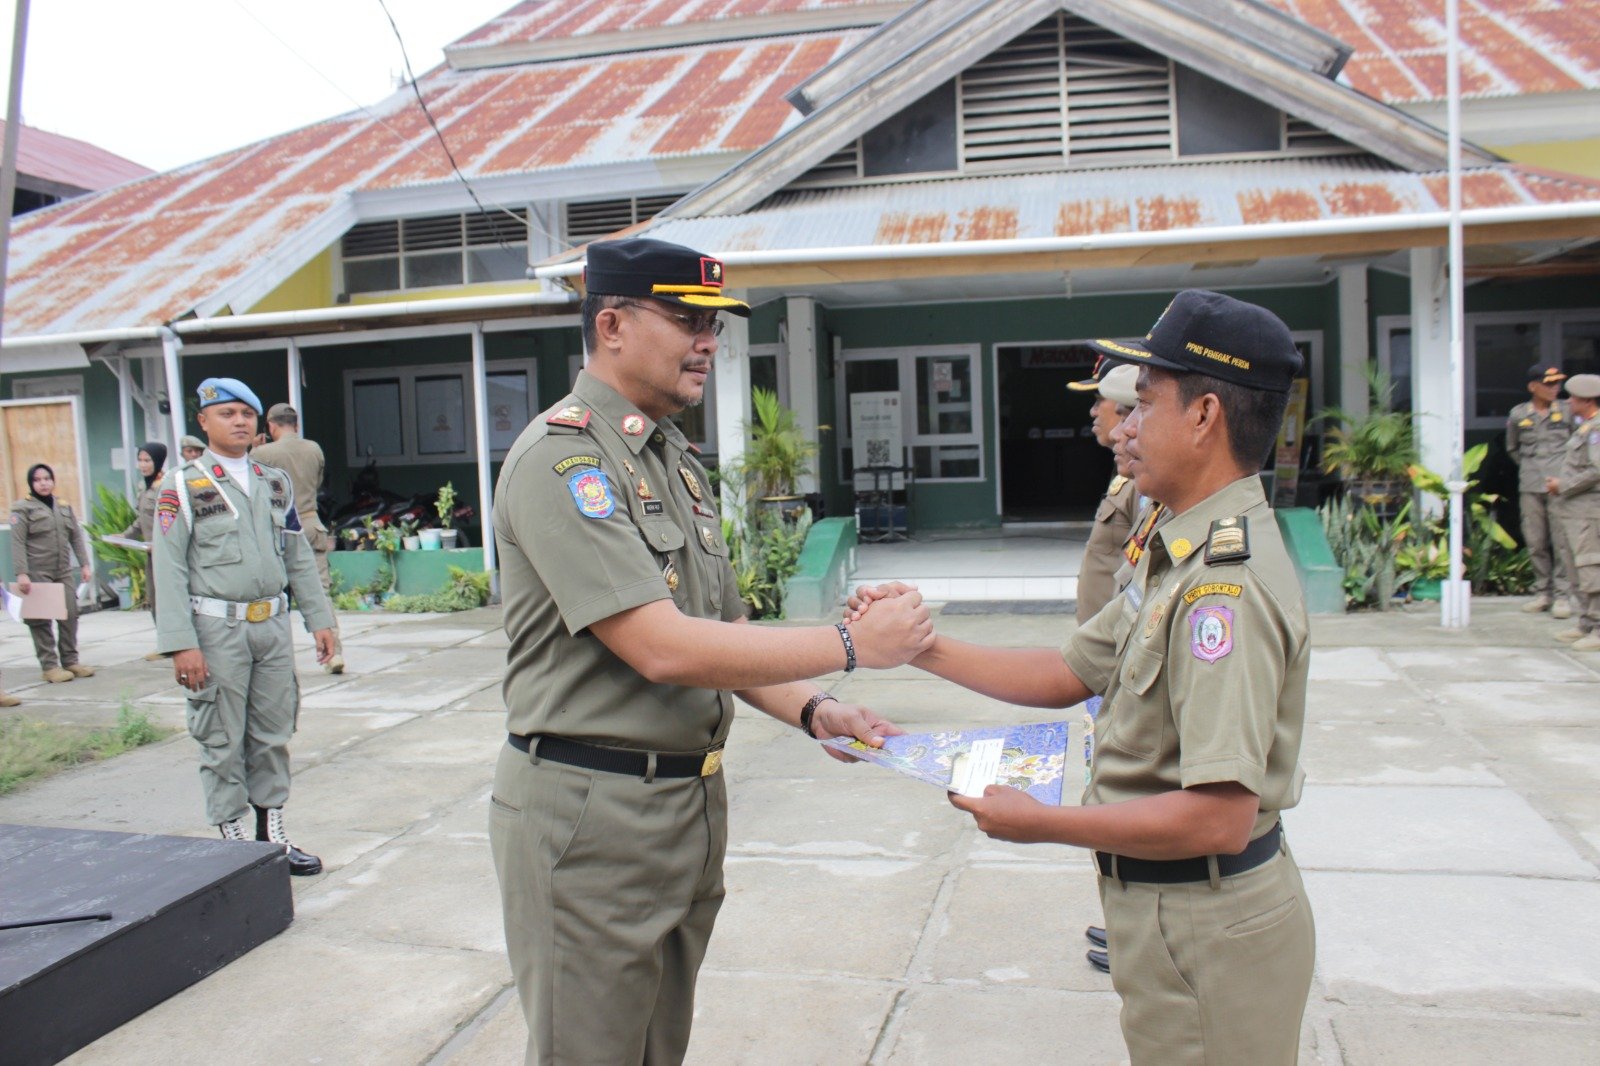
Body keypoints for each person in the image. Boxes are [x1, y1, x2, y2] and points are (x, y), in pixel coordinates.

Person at [490, 237, 933, 1065]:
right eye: (687, 319)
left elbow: (725, 635)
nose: (708, 340)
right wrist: (849, 643)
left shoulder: (674, 464)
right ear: (612, 325)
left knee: (659, 1050)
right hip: (592, 816)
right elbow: (658, 648)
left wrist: (816, 707)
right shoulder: (565, 459)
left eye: (715, 324)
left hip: (683, 811)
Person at [854, 290, 1315, 1065]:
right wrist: (916, 645)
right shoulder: (1176, 545)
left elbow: (1218, 818)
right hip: (1170, 912)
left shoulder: (1222, 592)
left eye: (1145, 404)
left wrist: (1044, 823)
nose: (1126, 428)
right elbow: (1072, 668)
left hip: (1208, 922)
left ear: (1203, 417)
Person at [152, 378, 337, 875]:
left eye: (246, 414)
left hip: (271, 627)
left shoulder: (274, 482)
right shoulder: (183, 484)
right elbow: (167, 567)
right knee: (221, 739)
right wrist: (180, 645)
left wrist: (320, 620)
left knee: (273, 733)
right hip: (215, 631)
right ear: (204, 421)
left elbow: (297, 555)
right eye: (227, 413)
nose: (238, 421)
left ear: (259, 423)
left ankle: (271, 839)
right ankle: (233, 849)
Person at [251, 403, 342, 674]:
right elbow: (317, 483)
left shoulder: (262, 453)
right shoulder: (314, 449)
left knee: (269, 594)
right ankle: (334, 652)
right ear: (296, 424)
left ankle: (270, 659)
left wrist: (253, 449)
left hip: (277, 526)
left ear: (271, 425)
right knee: (320, 591)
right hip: (310, 522)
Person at [1070, 361, 1142, 624]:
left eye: (1100, 400)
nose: (1093, 411)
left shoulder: (1143, 482)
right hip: (1100, 641)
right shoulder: (1125, 472)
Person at [10, 463, 96, 683]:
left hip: (63, 570)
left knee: (70, 614)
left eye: (47, 478)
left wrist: (85, 564)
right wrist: (22, 573)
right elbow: (17, 542)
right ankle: (49, 666)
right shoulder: (22, 509)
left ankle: (70, 661)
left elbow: (76, 536)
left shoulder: (63, 507)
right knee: (40, 620)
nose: (44, 483)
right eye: (38, 479)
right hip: (37, 570)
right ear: (31, 483)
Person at [1507, 364, 1575, 618]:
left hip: (1560, 485)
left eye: (1557, 383)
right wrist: (1530, 469)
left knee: (1561, 541)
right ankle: (1542, 592)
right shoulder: (1518, 414)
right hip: (1530, 484)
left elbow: (1578, 446)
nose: (1554, 388)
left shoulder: (1568, 411)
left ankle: (1562, 596)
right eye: (1549, 384)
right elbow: (1513, 448)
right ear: (1533, 387)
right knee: (1535, 541)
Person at [1547, 373, 1600, 652]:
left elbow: (1597, 470)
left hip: (1588, 511)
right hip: (1573, 510)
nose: (1569, 401)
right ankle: (1586, 623)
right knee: (1575, 567)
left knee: (1590, 567)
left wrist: (1563, 485)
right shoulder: (1586, 427)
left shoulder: (1597, 430)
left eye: (1574, 397)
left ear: (1588, 401)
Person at [123, 442, 168, 660]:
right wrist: (123, 536)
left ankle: (173, 643)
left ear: (158, 461)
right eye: (140, 460)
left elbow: (170, 522)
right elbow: (142, 520)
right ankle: (164, 642)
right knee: (154, 597)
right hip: (150, 553)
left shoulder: (165, 487)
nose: (142, 465)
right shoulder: (145, 488)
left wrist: (159, 544)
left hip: (167, 555)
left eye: (147, 460)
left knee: (168, 599)